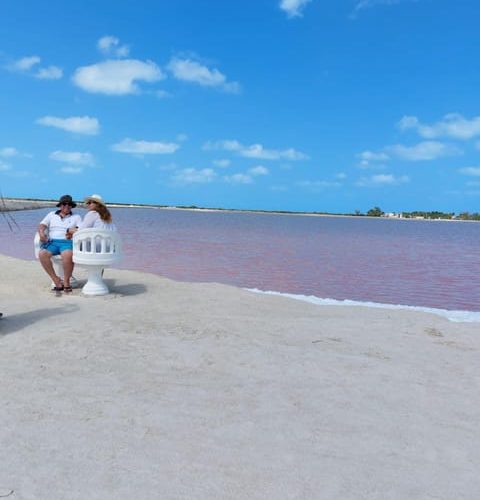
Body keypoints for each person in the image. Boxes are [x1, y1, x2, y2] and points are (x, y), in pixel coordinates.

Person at [38, 194, 82, 293]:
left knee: (68, 255)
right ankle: (56, 280)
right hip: (52, 242)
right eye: (64, 204)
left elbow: (81, 229)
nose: (67, 206)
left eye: (69, 204)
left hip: (66, 242)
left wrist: (71, 231)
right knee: (42, 254)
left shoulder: (76, 217)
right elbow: (42, 225)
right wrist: (41, 233)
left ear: (71, 206)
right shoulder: (51, 214)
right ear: (60, 205)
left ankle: (66, 282)